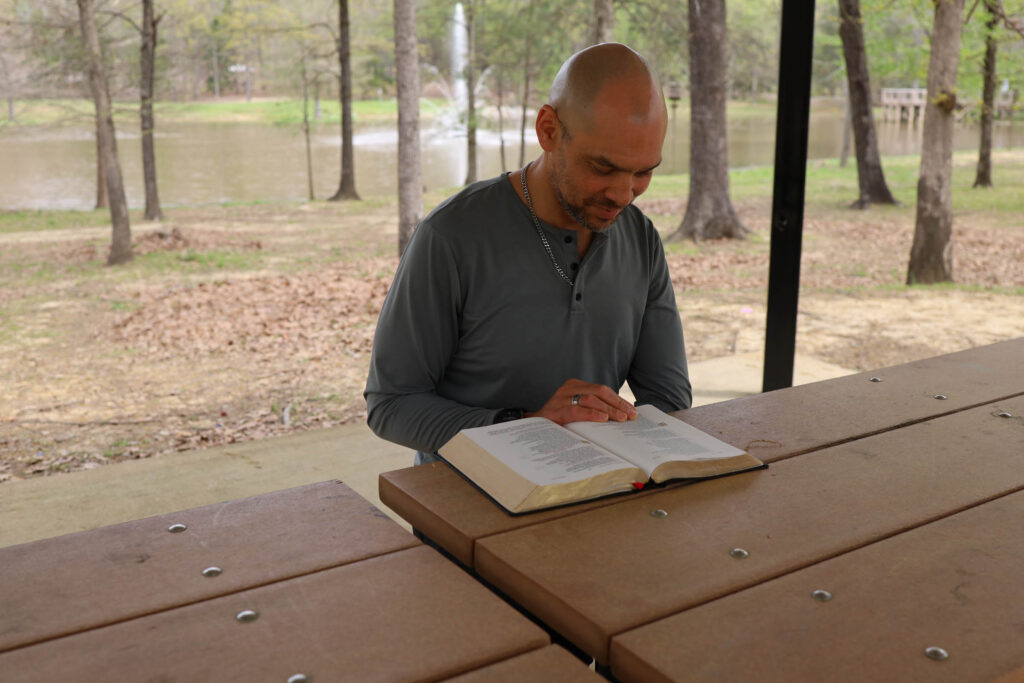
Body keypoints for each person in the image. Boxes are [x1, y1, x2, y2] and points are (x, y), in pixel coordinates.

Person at [365, 43, 691, 465]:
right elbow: (391, 405)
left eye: (644, 172)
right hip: (465, 494)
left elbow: (668, 398)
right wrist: (526, 425)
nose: (623, 195)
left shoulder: (640, 238)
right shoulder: (451, 236)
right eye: (603, 168)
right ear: (548, 130)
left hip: (596, 486)